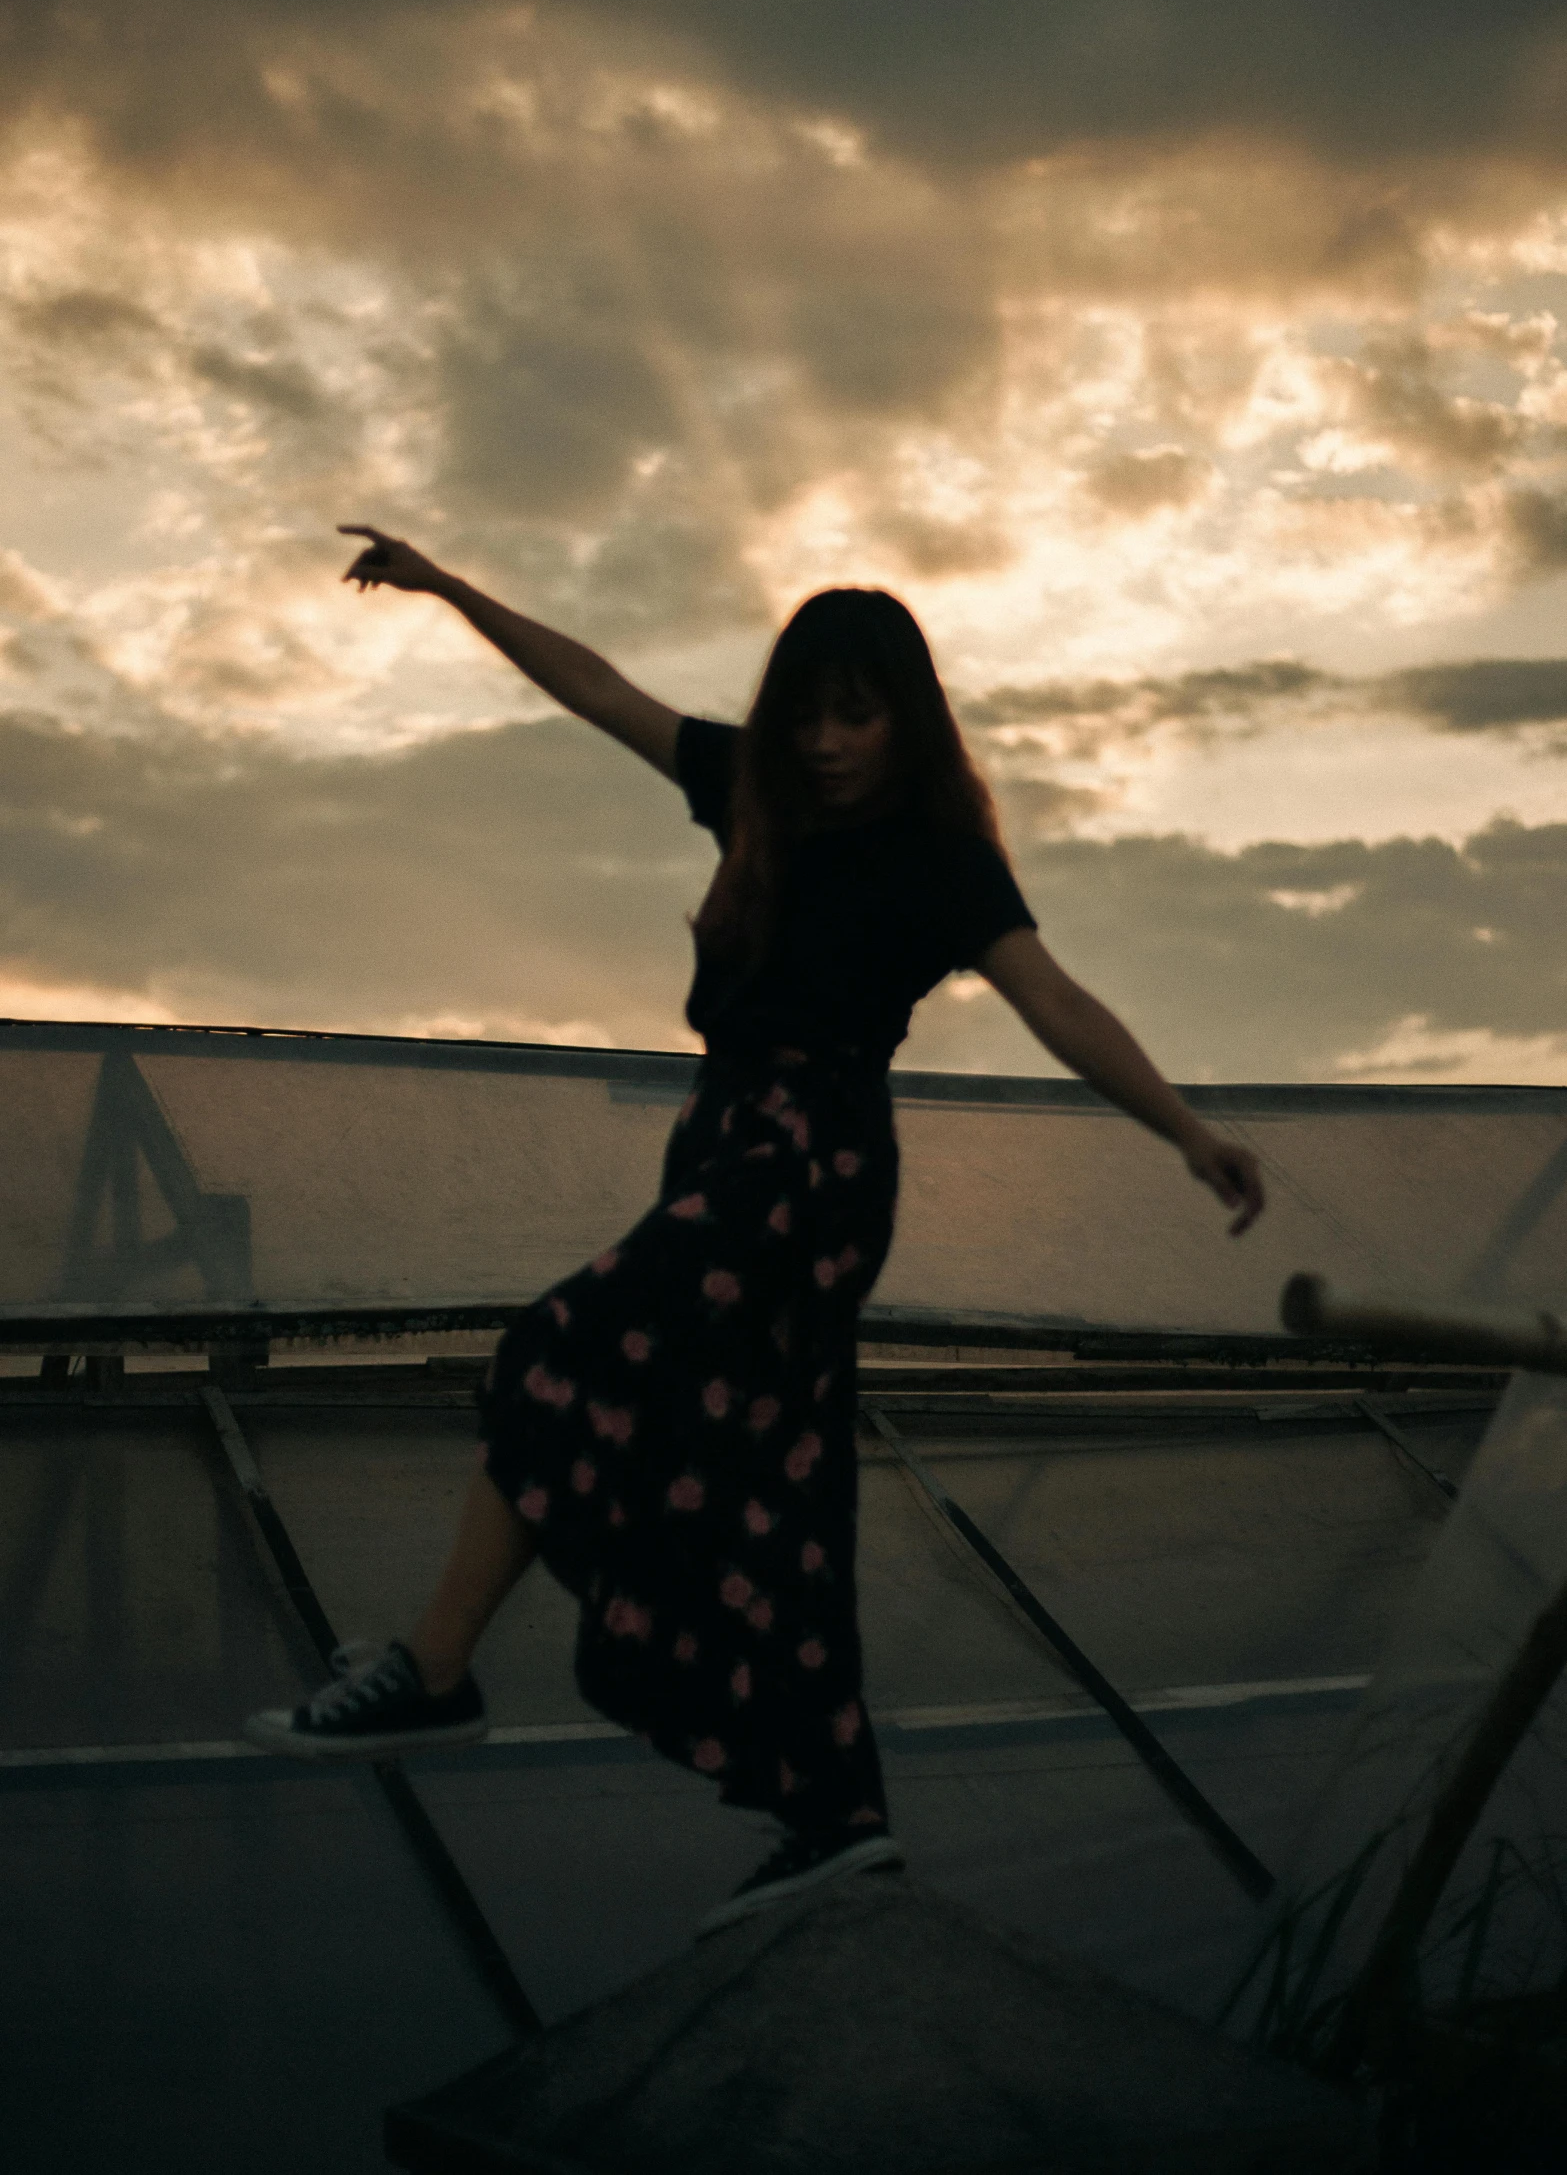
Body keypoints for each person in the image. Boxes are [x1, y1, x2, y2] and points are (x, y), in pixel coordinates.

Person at [245, 527, 1265, 1934]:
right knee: (773, 1491)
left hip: (810, 1165)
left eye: (859, 714)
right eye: (810, 713)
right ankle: (833, 1811)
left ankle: (433, 1666)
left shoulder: (936, 861)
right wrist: (449, 588)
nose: (831, 742)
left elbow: (1057, 1002)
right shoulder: (753, 798)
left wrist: (1185, 1129)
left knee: (557, 1349)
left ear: (907, 721)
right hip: (725, 1149)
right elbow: (600, 690)